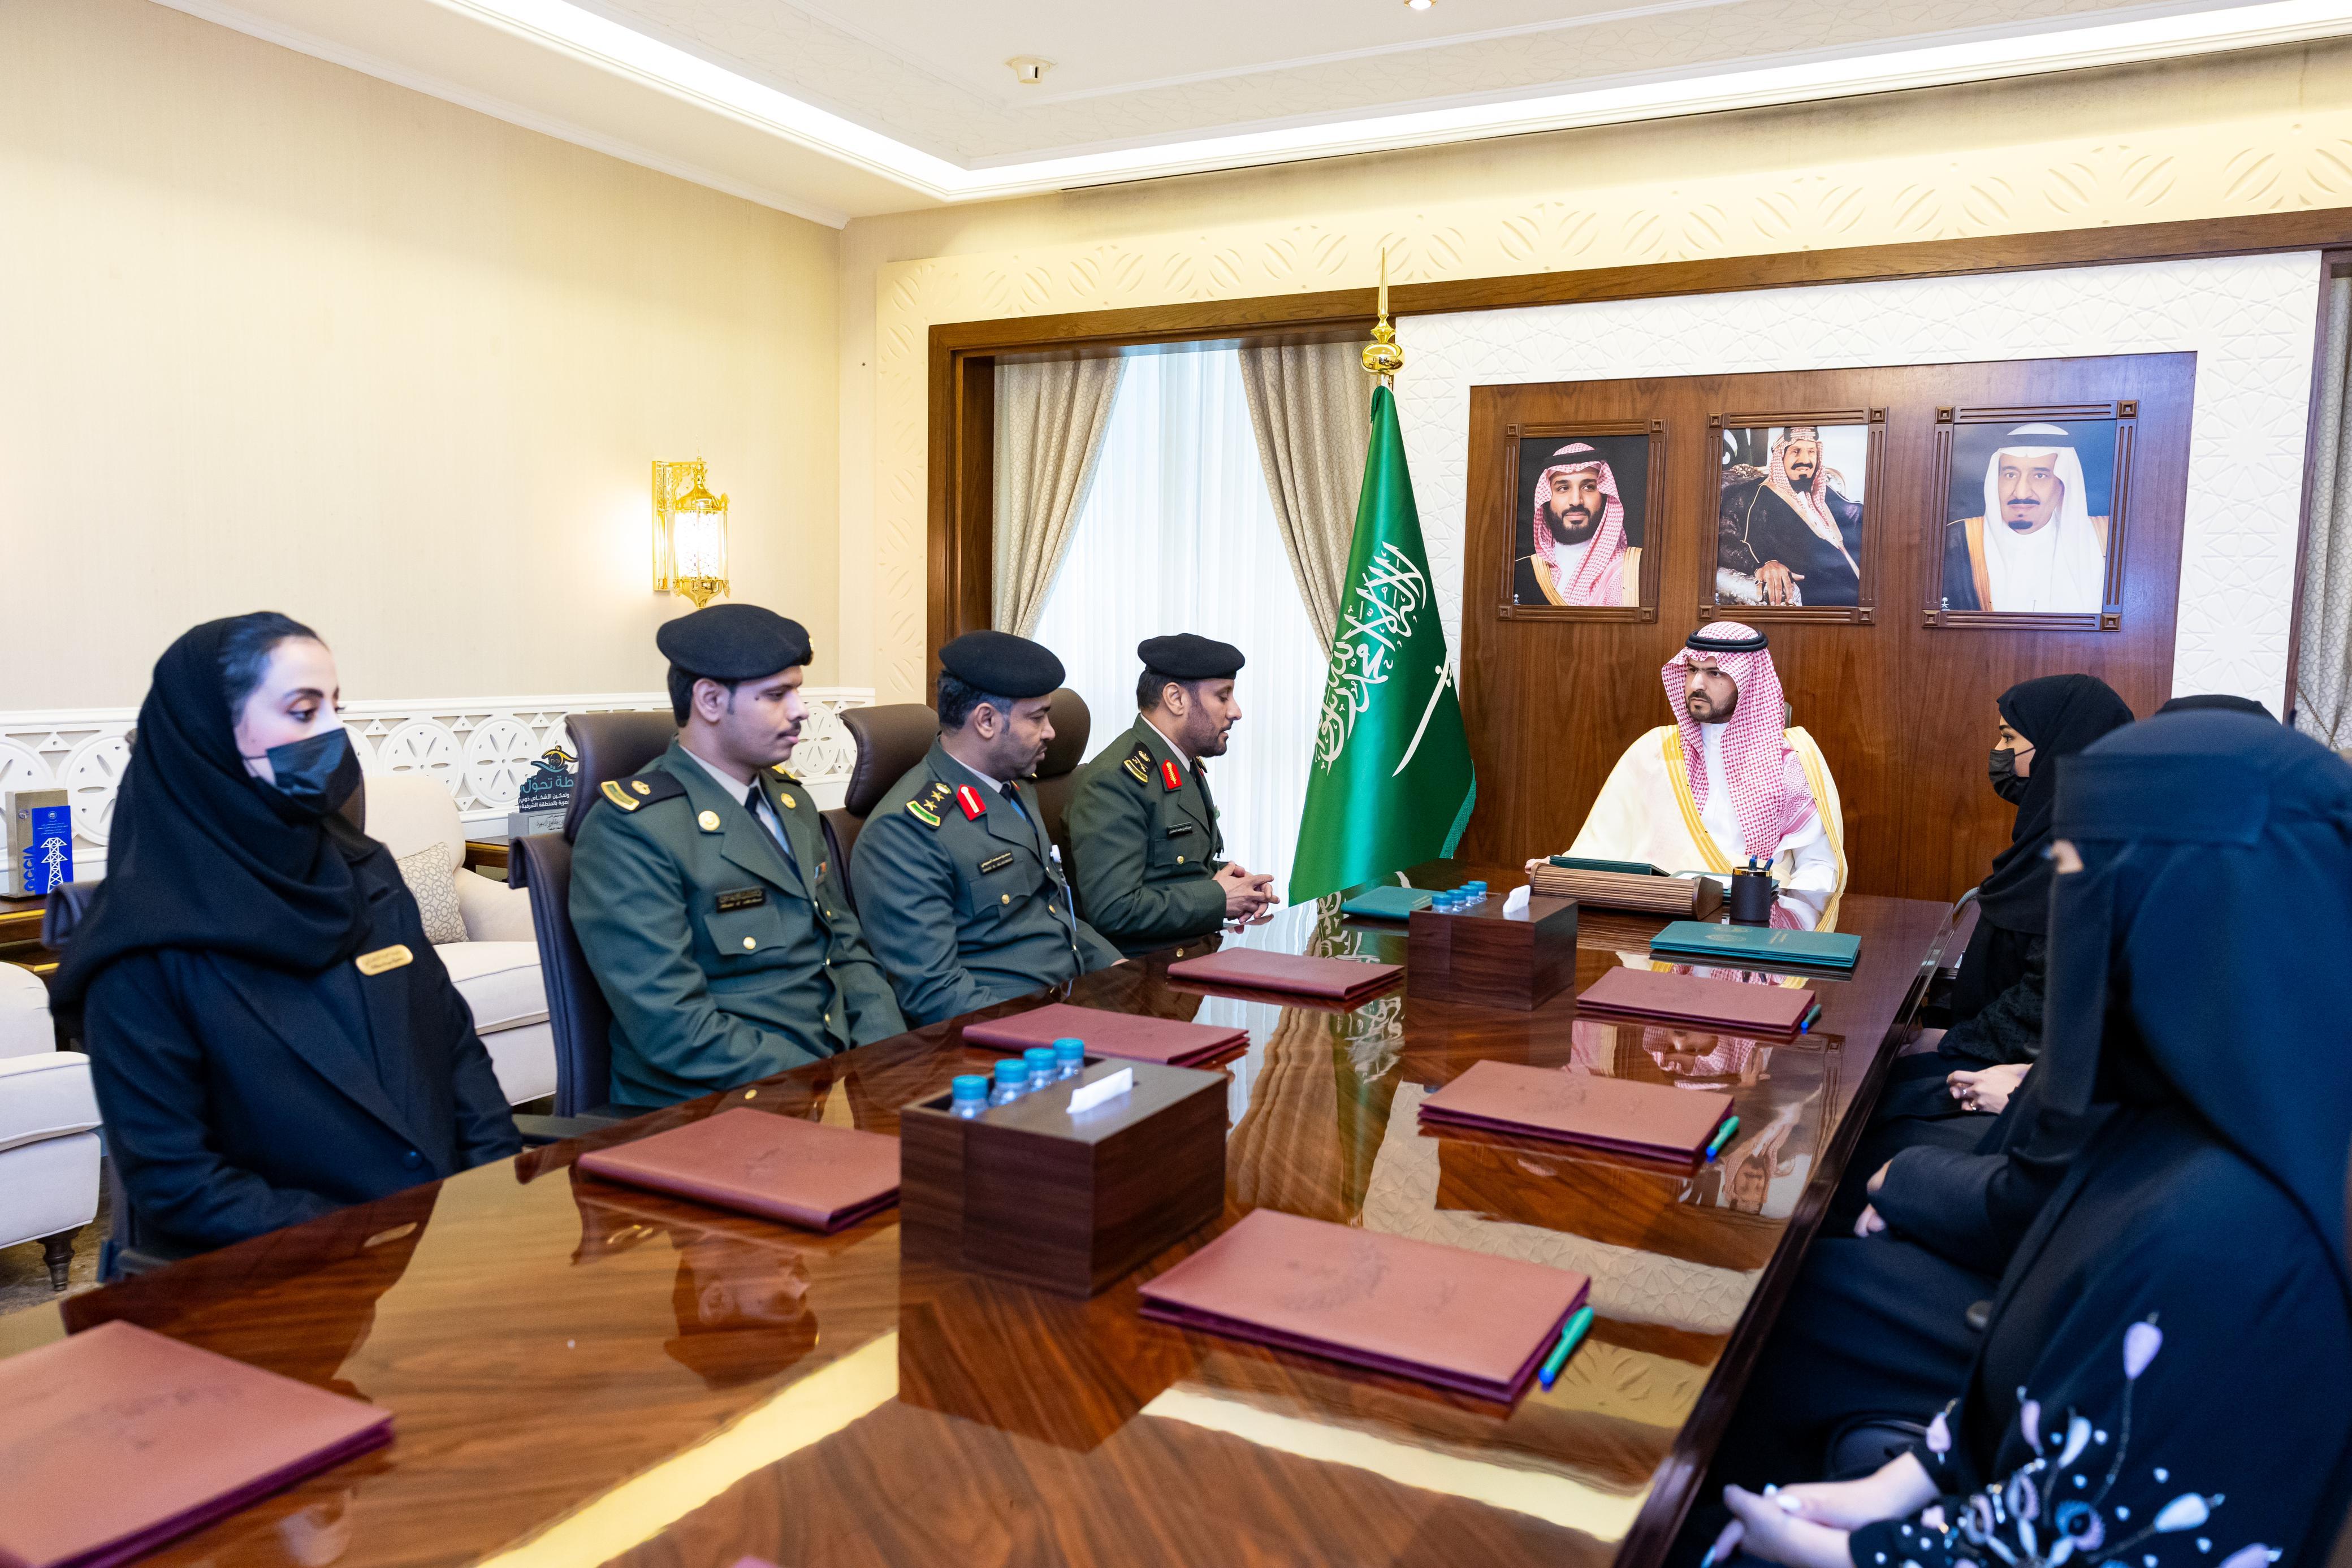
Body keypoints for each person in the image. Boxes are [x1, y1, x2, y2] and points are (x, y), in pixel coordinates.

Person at [1700, 711, 2352, 1568]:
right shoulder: (2162, 1119)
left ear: (2199, 908)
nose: (2065, 910)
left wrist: (1863, 1553)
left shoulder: (2235, 1234)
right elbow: (2033, 1373)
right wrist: (1900, 1484)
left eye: (2080, 876)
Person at [52, 614, 520, 1262]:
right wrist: (373, 1234)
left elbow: (453, 1048)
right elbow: (178, 1181)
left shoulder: (365, 869)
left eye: (335, 707)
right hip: (275, 1278)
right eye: (303, 711)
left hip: (441, 1251)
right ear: (209, 733)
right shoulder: (140, 943)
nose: (332, 734)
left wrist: (493, 1194)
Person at [570, 604, 902, 1110]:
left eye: (797, 691)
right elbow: (674, 1026)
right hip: (712, 1106)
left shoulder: (791, 803)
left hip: (824, 1084)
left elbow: (846, 949)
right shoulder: (631, 830)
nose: (800, 710)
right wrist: (821, 1082)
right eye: (777, 695)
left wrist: (889, 1060)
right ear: (709, 700)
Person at [1847, 674, 2136, 1193]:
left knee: (1861, 1117)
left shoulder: (2084, 857)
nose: (1999, 754)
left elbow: (2046, 1002)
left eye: (2009, 738)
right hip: (2001, 1055)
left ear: (2057, 748)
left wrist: (1953, 1040)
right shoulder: (2054, 834)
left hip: (2022, 1073)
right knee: (1866, 1087)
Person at [853, 630, 1120, 1025]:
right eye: (1038, 718)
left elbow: (1054, 913)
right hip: (1004, 1031)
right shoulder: (903, 832)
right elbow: (934, 991)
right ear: (986, 720)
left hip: (1071, 1003)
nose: (1051, 731)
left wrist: (1118, 968)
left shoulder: (1014, 789)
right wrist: (1040, 1035)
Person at [1534, 623, 1845, 928]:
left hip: (1751, 920)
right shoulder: (1655, 749)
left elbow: (1818, 865)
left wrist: (1779, 923)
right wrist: (1560, 871)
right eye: (1692, 670)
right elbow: (1603, 843)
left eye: (1715, 673)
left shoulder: (1788, 761)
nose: (1697, 684)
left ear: (1748, 680)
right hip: (1657, 915)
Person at [1065, 634, 1276, 956]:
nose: (1236, 711)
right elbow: (1115, 910)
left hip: (1193, 949)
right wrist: (1219, 898)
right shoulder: (1114, 780)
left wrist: (1237, 885)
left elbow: (1175, 870)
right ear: (1176, 699)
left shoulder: (1179, 762)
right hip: (1146, 970)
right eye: (1223, 697)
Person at [1940, 424, 2109, 613]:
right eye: (2010, 475)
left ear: (2063, 485)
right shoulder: (1956, 540)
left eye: (2040, 475)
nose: (2021, 492)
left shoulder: (2104, 538)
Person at [1718, 426, 1865, 608]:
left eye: (1811, 452)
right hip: (1821, 592)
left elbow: (1855, 516)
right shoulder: (1752, 494)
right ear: (1780, 457)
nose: (1805, 460)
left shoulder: (1824, 492)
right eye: (1796, 451)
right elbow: (1725, 541)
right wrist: (1764, 564)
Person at [1514, 443, 1641, 607]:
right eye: (1563, 488)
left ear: (1605, 496)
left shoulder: (1632, 571)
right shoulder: (1521, 572)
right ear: (1546, 499)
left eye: (1588, 487)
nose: (1576, 501)